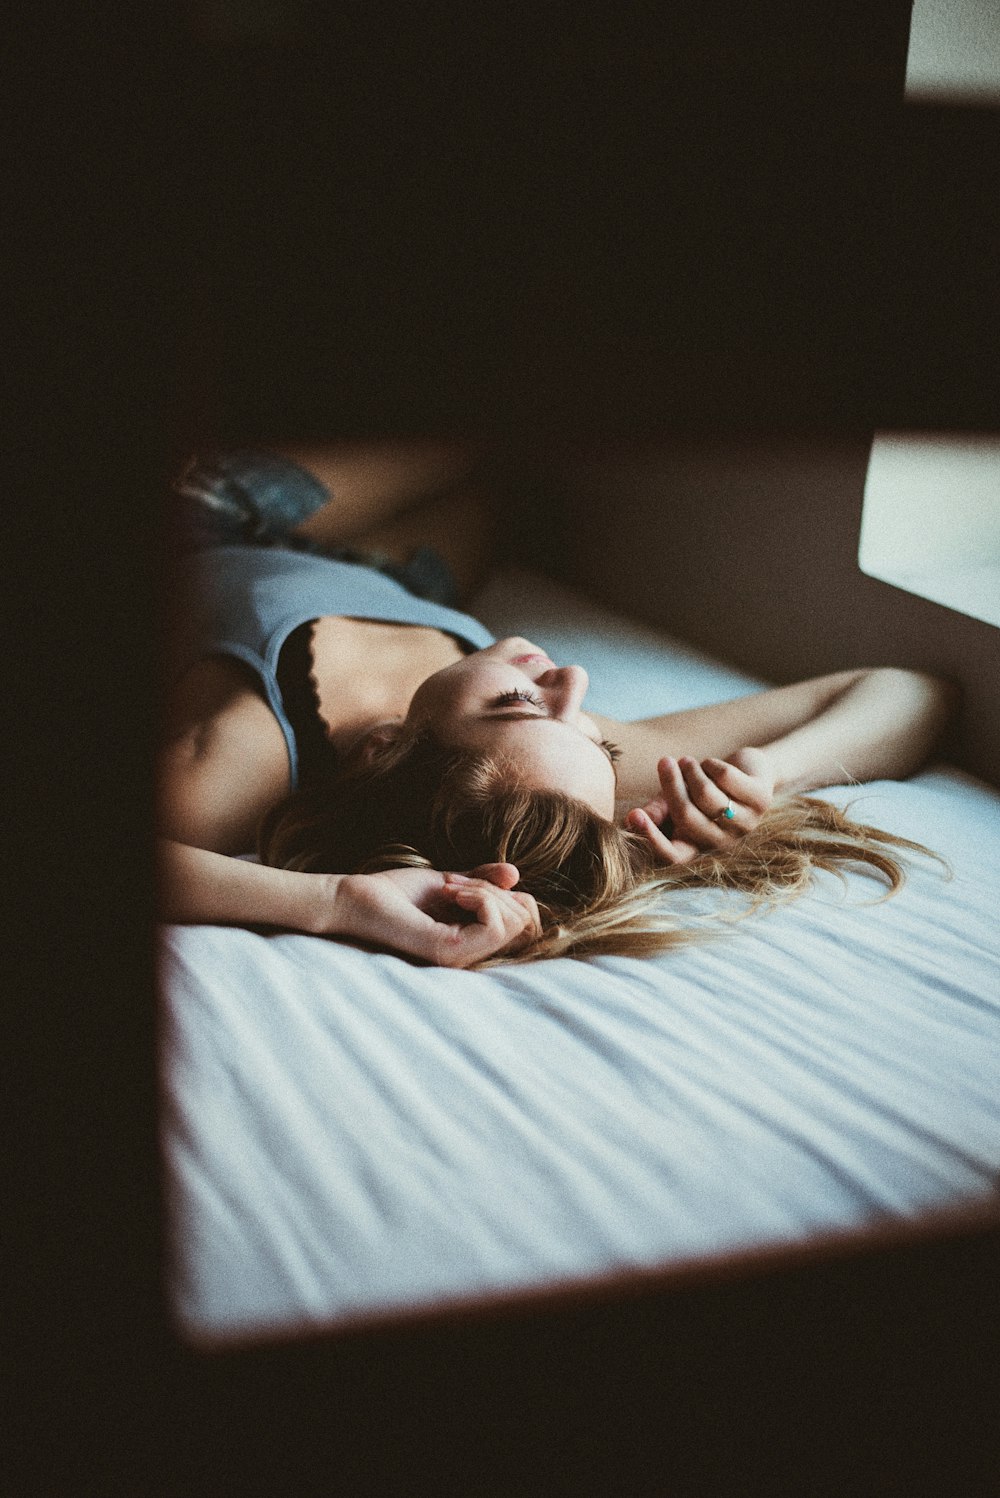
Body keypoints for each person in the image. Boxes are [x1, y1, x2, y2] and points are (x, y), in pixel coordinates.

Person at [158, 445, 956, 968]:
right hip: (408, 587)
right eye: (590, 736)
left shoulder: (250, 753)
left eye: (514, 701)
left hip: (210, 530)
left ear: (387, 746)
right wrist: (766, 775)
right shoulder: (556, 754)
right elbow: (910, 693)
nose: (569, 682)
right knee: (489, 467)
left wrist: (334, 902)